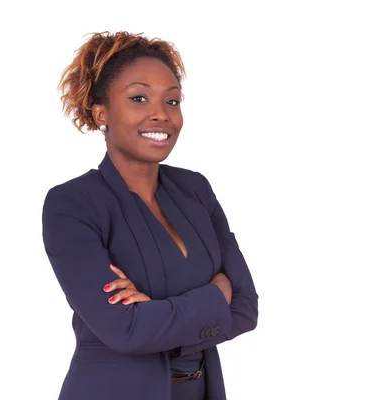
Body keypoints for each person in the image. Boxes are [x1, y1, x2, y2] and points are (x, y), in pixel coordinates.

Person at [42, 31, 258, 400]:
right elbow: (125, 330)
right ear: (101, 113)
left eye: (172, 100)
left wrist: (157, 313)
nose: (161, 113)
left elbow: (245, 307)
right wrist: (214, 294)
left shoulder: (195, 190)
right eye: (139, 98)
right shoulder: (72, 204)